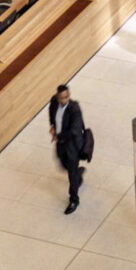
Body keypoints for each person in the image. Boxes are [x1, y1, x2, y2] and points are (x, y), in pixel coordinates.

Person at [48, 84, 87, 214]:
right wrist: (52, 125)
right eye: (62, 98)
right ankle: (78, 174)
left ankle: (74, 199)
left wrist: (58, 135)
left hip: (72, 144)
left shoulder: (74, 108)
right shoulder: (54, 102)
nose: (65, 100)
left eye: (67, 97)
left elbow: (74, 130)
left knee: (71, 172)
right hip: (60, 142)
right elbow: (51, 113)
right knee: (62, 164)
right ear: (58, 97)